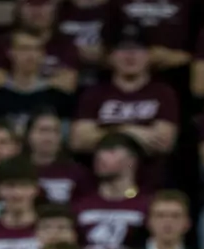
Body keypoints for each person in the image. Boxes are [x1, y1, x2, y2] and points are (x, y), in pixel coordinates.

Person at [70, 23, 179, 189]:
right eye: (123, 49)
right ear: (111, 56)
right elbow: (79, 140)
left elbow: (164, 142)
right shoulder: (95, 93)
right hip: (100, 184)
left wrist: (103, 134)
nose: (130, 55)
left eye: (138, 49)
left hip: (151, 183)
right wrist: (129, 131)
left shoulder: (163, 93)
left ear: (149, 55)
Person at [74, 134, 151, 249]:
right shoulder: (80, 206)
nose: (101, 157)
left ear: (131, 161)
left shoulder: (147, 205)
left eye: (111, 152)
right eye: (99, 153)